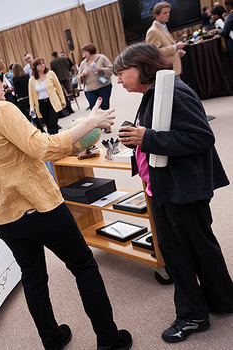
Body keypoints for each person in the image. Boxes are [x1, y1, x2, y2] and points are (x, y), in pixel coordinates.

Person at [0, 56, 132, 350]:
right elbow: (43, 148)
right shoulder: (2, 110)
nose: (6, 81)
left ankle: (52, 339)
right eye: (0, 75)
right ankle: (109, 340)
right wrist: (89, 123)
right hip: (42, 209)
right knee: (83, 266)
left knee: (33, 279)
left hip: (5, 219)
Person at [115, 43, 233, 343]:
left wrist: (148, 137)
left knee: (181, 252)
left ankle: (193, 315)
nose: (119, 81)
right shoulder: (155, 92)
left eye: (122, 74)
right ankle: (222, 300)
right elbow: (162, 132)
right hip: (167, 187)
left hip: (181, 189)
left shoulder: (174, 93)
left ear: (142, 66)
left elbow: (201, 137)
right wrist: (140, 136)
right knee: (199, 247)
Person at [145, 2, 188, 75]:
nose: (168, 15)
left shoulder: (163, 27)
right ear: (156, 15)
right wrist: (175, 47)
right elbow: (155, 53)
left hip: (174, 69)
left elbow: (166, 47)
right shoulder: (153, 31)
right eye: (165, 13)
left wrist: (177, 52)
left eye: (168, 12)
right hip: (167, 72)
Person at [29, 58, 65, 134]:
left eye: (43, 63)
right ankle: (54, 140)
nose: (42, 65)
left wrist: (63, 100)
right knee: (48, 124)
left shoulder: (50, 74)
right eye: (39, 64)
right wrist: (32, 108)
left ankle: (55, 140)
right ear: (35, 67)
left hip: (52, 102)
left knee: (53, 123)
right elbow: (31, 95)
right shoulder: (32, 80)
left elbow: (58, 88)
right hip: (41, 104)